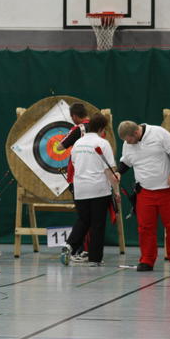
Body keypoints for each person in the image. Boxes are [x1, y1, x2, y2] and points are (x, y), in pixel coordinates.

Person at [117, 120, 170, 272]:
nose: (128, 143)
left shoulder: (158, 133)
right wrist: (118, 172)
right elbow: (126, 162)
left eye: (129, 139)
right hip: (145, 191)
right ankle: (147, 260)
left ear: (136, 132)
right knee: (145, 227)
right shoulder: (128, 144)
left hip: (168, 189)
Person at [60, 112, 120, 267]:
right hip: (98, 189)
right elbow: (110, 171)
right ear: (101, 128)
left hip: (80, 189)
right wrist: (117, 191)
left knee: (83, 220)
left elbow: (74, 164)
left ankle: (69, 246)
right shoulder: (103, 143)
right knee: (97, 224)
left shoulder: (78, 144)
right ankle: (95, 259)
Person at [57, 102, 91, 262]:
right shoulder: (98, 128)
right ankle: (87, 250)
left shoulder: (78, 129)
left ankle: (77, 249)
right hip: (96, 176)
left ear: (75, 116)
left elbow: (59, 147)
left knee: (84, 216)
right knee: (92, 215)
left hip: (78, 176)